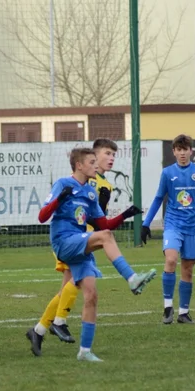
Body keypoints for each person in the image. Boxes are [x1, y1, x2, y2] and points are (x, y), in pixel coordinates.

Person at [27, 147, 155, 361]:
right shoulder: (63, 184)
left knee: (91, 296)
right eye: (92, 162)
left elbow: (102, 224)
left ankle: (83, 351)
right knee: (104, 237)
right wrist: (59, 199)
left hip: (80, 242)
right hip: (64, 242)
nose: (96, 165)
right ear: (79, 165)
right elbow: (42, 217)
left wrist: (126, 214)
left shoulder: (90, 193)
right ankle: (132, 279)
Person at [33, 138, 119, 345]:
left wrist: (119, 214)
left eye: (113, 155)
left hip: (87, 236)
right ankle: (57, 323)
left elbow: (99, 220)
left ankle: (40, 329)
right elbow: (46, 214)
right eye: (107, 153)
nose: (110, 159)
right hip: (71, 239)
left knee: (71, 285)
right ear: (93, 157)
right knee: (75, 282)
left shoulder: (103, 184)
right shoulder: (71, 181)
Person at [140, 134, 195, 324]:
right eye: (178, 150)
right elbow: (158, 199)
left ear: (191, 151)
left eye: (185, 150)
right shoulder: (167, 173)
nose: (182, 153)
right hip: (173, 225)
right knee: (171, 259)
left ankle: (183, 313)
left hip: (192, 227)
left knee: (187, 269)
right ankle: (167, 307)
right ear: (174, 152)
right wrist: (146, 223)